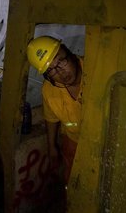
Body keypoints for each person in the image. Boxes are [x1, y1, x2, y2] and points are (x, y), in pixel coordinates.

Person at [27, 36, 83, 187]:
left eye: (61, 61)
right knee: (71, 183)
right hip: (73, 139)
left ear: (69, 52)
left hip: (104, 141)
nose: (61, 73)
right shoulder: (49, 90)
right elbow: (51, 118)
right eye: (50, 70)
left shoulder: (95, 70)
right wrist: (51, 147)